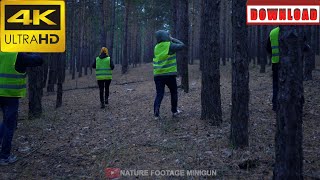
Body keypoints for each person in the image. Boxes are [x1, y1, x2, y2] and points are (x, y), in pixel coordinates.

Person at [0, 52, 43, 165]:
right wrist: (34, 49)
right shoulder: (17, 55)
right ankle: (4, 157)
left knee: (6, 123)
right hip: (10, 96)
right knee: (10, 125)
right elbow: (39, 60)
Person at [266, 27, 310, 111]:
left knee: (276, 84)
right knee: (294, 83)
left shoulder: (272, 32)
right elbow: (305, 47)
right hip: (292, 64)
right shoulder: (295, 30)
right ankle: (295, 104)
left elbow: (268, 48)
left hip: (276, 63)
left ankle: (275, 105)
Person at [153, 30, 186, 120]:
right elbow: (182, 45)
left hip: (157, 75)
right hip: (169, 75)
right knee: (174, 92)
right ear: (165, 36)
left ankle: (156, 113)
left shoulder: (156, 47)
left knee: (159, 94)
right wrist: (172, 39)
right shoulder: (169, 45)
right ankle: (174, 111)